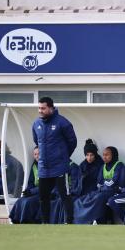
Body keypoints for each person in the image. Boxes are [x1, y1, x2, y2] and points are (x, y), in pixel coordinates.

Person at [32, 96, 77, 224]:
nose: (40, 110)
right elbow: (37, 141)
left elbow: (72, 142)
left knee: (64, 195)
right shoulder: (36, 124)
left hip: (60, 167)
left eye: (43, 108)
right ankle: (45, 223)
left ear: (51, 108)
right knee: (43, 197)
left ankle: (69, 221)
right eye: (39, 108)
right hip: (44, 168)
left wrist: (63, 156)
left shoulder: (63, 122)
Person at [74, 146, 125, 224]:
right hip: (103, 190)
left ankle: (94, 220)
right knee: (84, 198)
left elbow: (113, 182)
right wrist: (104, 184)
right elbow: (99, 182)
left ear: (113, 155)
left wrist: (104, 184)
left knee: (98, 198)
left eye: (107, 155)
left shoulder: (119, 165)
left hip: (114, 191)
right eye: (104, 155)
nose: (104, 157)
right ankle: (81, 220)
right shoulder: (103, 166)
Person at [9, 147, 41, 224]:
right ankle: (15, 221)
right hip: (35, 191)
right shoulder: (34, 166)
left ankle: (26, 222)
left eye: (39, 154)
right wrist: (27, 191)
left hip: (44, 193)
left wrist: (31, 191)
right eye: (35, 154)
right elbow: (30, 182)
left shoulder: (48, 166)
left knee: (28, 202)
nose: (37, 156)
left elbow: (46, 185)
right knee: (20, 200)